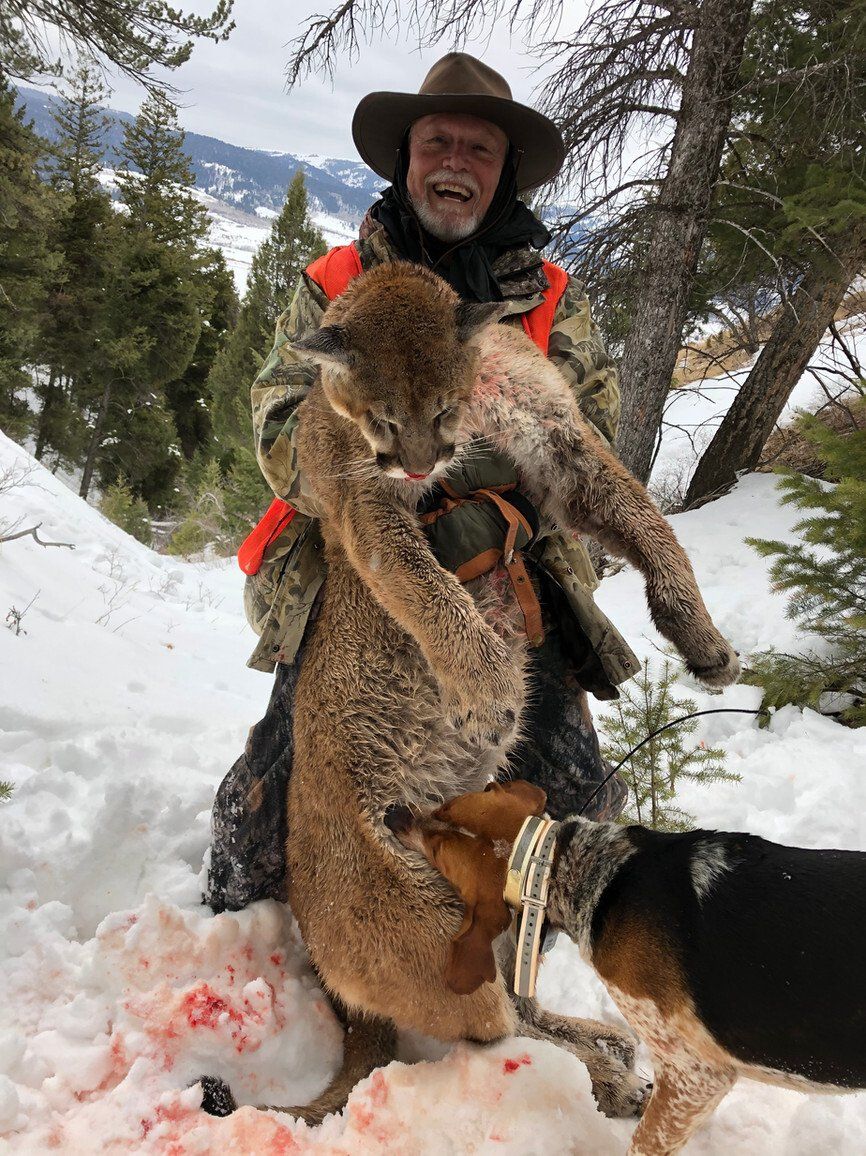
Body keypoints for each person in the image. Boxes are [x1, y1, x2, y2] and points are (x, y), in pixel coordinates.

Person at [205, 53, 638, 914]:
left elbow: (589, 441)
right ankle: (262, 950)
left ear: (503, 172)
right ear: (405, 158)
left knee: (573, 804)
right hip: (355, 569)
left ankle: (490, 950)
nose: (454, 163)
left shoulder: (553, 299)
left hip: (512, 573)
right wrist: (387, 474)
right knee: (257, 825)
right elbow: (277, 426)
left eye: (478, 150)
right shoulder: (333, 286)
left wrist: (461, 481)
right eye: (436, 141)